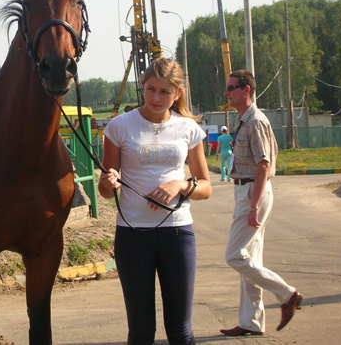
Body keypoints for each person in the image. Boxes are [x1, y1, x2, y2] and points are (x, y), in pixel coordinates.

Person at [98, 58, 211, 345]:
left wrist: (180, 185)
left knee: (180, 330)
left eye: (164, 92)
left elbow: (206, 187)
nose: (156, 98)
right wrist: (108, 182)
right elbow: (106, 190)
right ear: (143, 88)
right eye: (150, 90)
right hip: (133, 235)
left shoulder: (188, 129)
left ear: (177, 94)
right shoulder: (119, 126)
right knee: (140, 330)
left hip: (177, 234)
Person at [220, 70, 302, 337]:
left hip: (253, 191)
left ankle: (287, 294)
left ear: (246, 90)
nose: (227, 92)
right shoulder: (244, 119)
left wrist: (254, 205)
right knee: (250, 258)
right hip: (246, 189)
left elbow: (263, 163)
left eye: (231, 87)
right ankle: (251, 322)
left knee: (234, 256)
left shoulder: (255, 121)